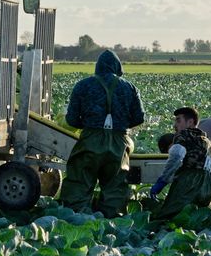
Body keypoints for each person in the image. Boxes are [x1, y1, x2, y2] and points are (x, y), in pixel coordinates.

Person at [58, 49, 146, 217]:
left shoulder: (83, 86)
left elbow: (72, 120)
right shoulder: (130, 88)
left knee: (79, 182)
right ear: (117, 67)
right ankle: (111, 221)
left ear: (97, 67)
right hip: (119, 142)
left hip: (90, 140)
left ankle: (78, 218)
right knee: (115, 187)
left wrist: (88, 124)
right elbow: (139, 117)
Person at [149, 106, 211, 222]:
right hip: (207, 190)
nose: (174, 126)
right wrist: (210, 189)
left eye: (178, 120)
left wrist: (163, 181)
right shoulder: (210, 144)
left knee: (166, 220)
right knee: (200, 223)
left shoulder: (183, 135)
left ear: (190, 122)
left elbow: (177, 154)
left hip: (187, 185)